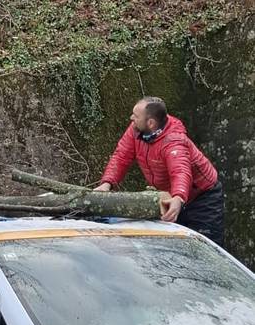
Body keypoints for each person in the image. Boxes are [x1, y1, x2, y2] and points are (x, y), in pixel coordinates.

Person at [95, 96, 225, 246]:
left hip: (202, 198)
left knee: (204, 247)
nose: (131, 118)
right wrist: (107, 183)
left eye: (135, 116)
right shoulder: (136, 130)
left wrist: (178, 197)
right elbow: (121, 156)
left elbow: (180, 171)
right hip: (172, 197)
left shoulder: (174, 140)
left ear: (150, 123)